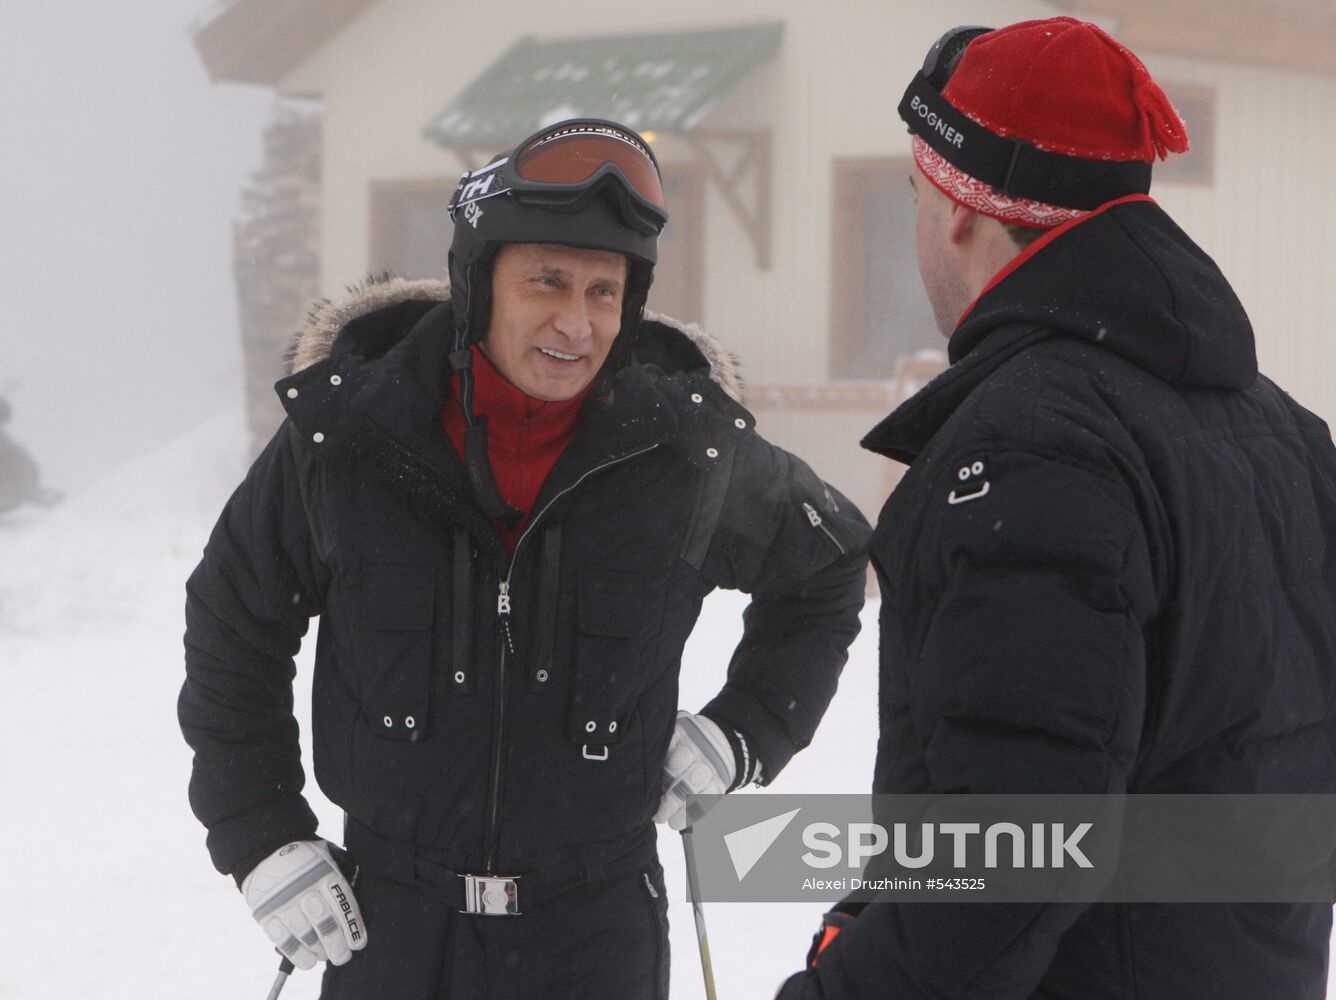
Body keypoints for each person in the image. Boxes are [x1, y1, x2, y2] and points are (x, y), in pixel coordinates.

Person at [179, 118, 870, 998]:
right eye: (547, 281)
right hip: (391, 930)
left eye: (603, 292)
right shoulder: (349, 440)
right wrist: (262, 834)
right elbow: (233, 620)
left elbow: (829, 564)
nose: (575, 324)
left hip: (597, 932)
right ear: (479, 283)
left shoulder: (684, 454)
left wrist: (748, 729)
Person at [778, 18, 1336, 1000]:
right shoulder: (1283, 431)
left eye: (912, 194)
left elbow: (1009, 861)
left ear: (958, 204)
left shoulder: (1033, 445)